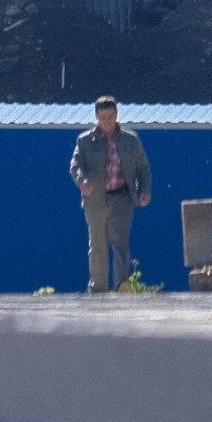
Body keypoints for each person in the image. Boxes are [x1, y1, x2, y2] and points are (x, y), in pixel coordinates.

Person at [70, 95, 152, 292]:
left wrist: (145, 190)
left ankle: (122, 286)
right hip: (95, 200)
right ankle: (98, 288)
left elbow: (143, 168)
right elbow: (75, 165)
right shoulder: (85, 141)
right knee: (97, 243)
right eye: (103, 117)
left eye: (111, 116)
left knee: (120, 243)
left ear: (116, 115)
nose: (107, 121)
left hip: (122, 198)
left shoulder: (130, 140)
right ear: (96, 117)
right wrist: (82, 180)